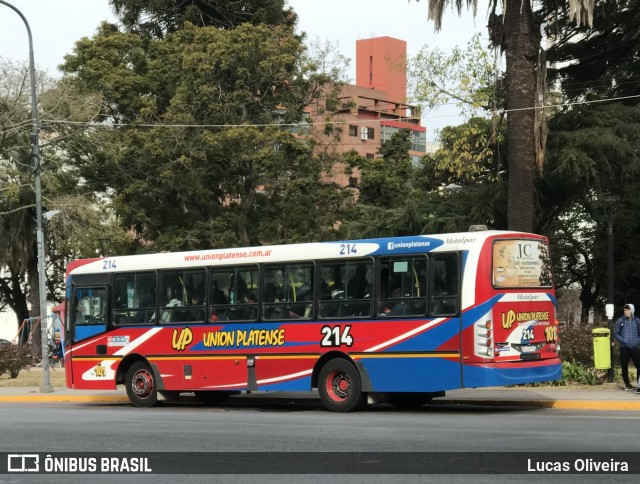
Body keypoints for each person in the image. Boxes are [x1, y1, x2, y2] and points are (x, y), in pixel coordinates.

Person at [613, 303, 640, 392]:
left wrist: (637, 341)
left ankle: (639, 385)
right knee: (624, 366)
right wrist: (624, 340)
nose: (626, 312)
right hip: (624, 348)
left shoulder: (637, 321)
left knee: (638, 366)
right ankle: (628, 384)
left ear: (632, 310)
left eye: (627, 310)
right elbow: (616, 333)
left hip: (635, 347)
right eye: (625, 310)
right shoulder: (620, 321)